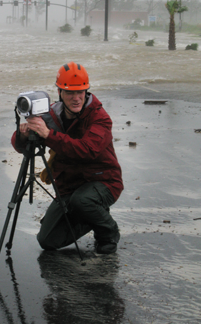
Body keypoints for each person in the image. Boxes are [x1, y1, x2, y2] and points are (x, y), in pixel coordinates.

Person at [12, 62, 124, 254]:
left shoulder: (99, 118)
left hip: (103, 181)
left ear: (87, 91)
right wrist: (23, 134)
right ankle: (92, 215)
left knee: (83, 201)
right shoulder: (51, 116)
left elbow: (87, 150)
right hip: (69, 186)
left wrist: (48, 135)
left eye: (81, 92)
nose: (76, 98)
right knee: (47, 240)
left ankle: (108, 232)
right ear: (59, 92)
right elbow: (21, 147)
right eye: (70, 92)